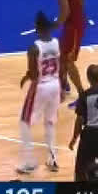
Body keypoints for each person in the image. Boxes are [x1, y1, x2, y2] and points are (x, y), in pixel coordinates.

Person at [16, 10, 67, 174]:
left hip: (41, 86)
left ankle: (29, 162)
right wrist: (63, 87)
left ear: (37, 28)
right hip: (55, 85)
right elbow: (63, 67)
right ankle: (52, 159)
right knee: (50, 122)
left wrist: (26, 77)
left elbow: (33, 74)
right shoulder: (57, 43)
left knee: (24, 122)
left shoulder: (34, 48)